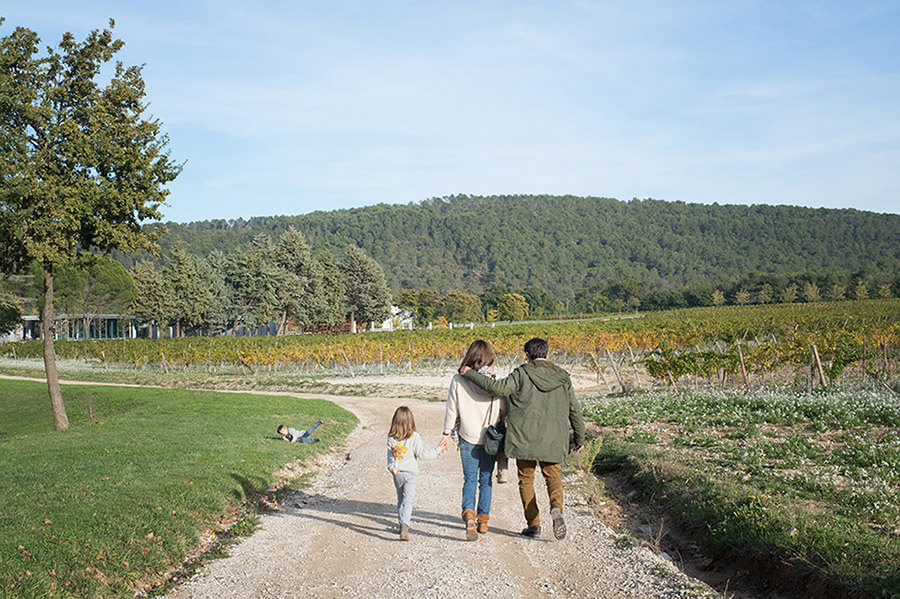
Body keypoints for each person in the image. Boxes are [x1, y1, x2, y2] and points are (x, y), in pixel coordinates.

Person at [460, 337, 585, 540]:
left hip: (524, 438)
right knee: (553, 477)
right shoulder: (563, 377)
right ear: (548, 354)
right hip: (553, 440)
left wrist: (471, 374)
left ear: (527, 355)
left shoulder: (522, 373)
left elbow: (497, 388)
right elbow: (574, 410)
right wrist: (580, 437)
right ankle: (556, 507)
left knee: (526, 480)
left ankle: (533, 525)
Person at [438, 339, 506, 541]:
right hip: (490, 438)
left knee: (469, 479)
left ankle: (469, 514)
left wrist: (446, 434)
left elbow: (452, 409)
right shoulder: (495, 380)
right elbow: (504, 409)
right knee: (485, 480)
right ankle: (483, 522)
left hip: (468, 436)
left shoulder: (458, 380)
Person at [387, 406, 444, 541]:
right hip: (411, 473)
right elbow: (422, 454)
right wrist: (438, 450)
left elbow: (390, 456)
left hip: (397, 473)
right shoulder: (414, 437)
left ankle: (402, 523)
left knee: (400, 498)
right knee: (408, 499)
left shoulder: (391, 438)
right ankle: (405, 526)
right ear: (411, 421)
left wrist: (391, 467)